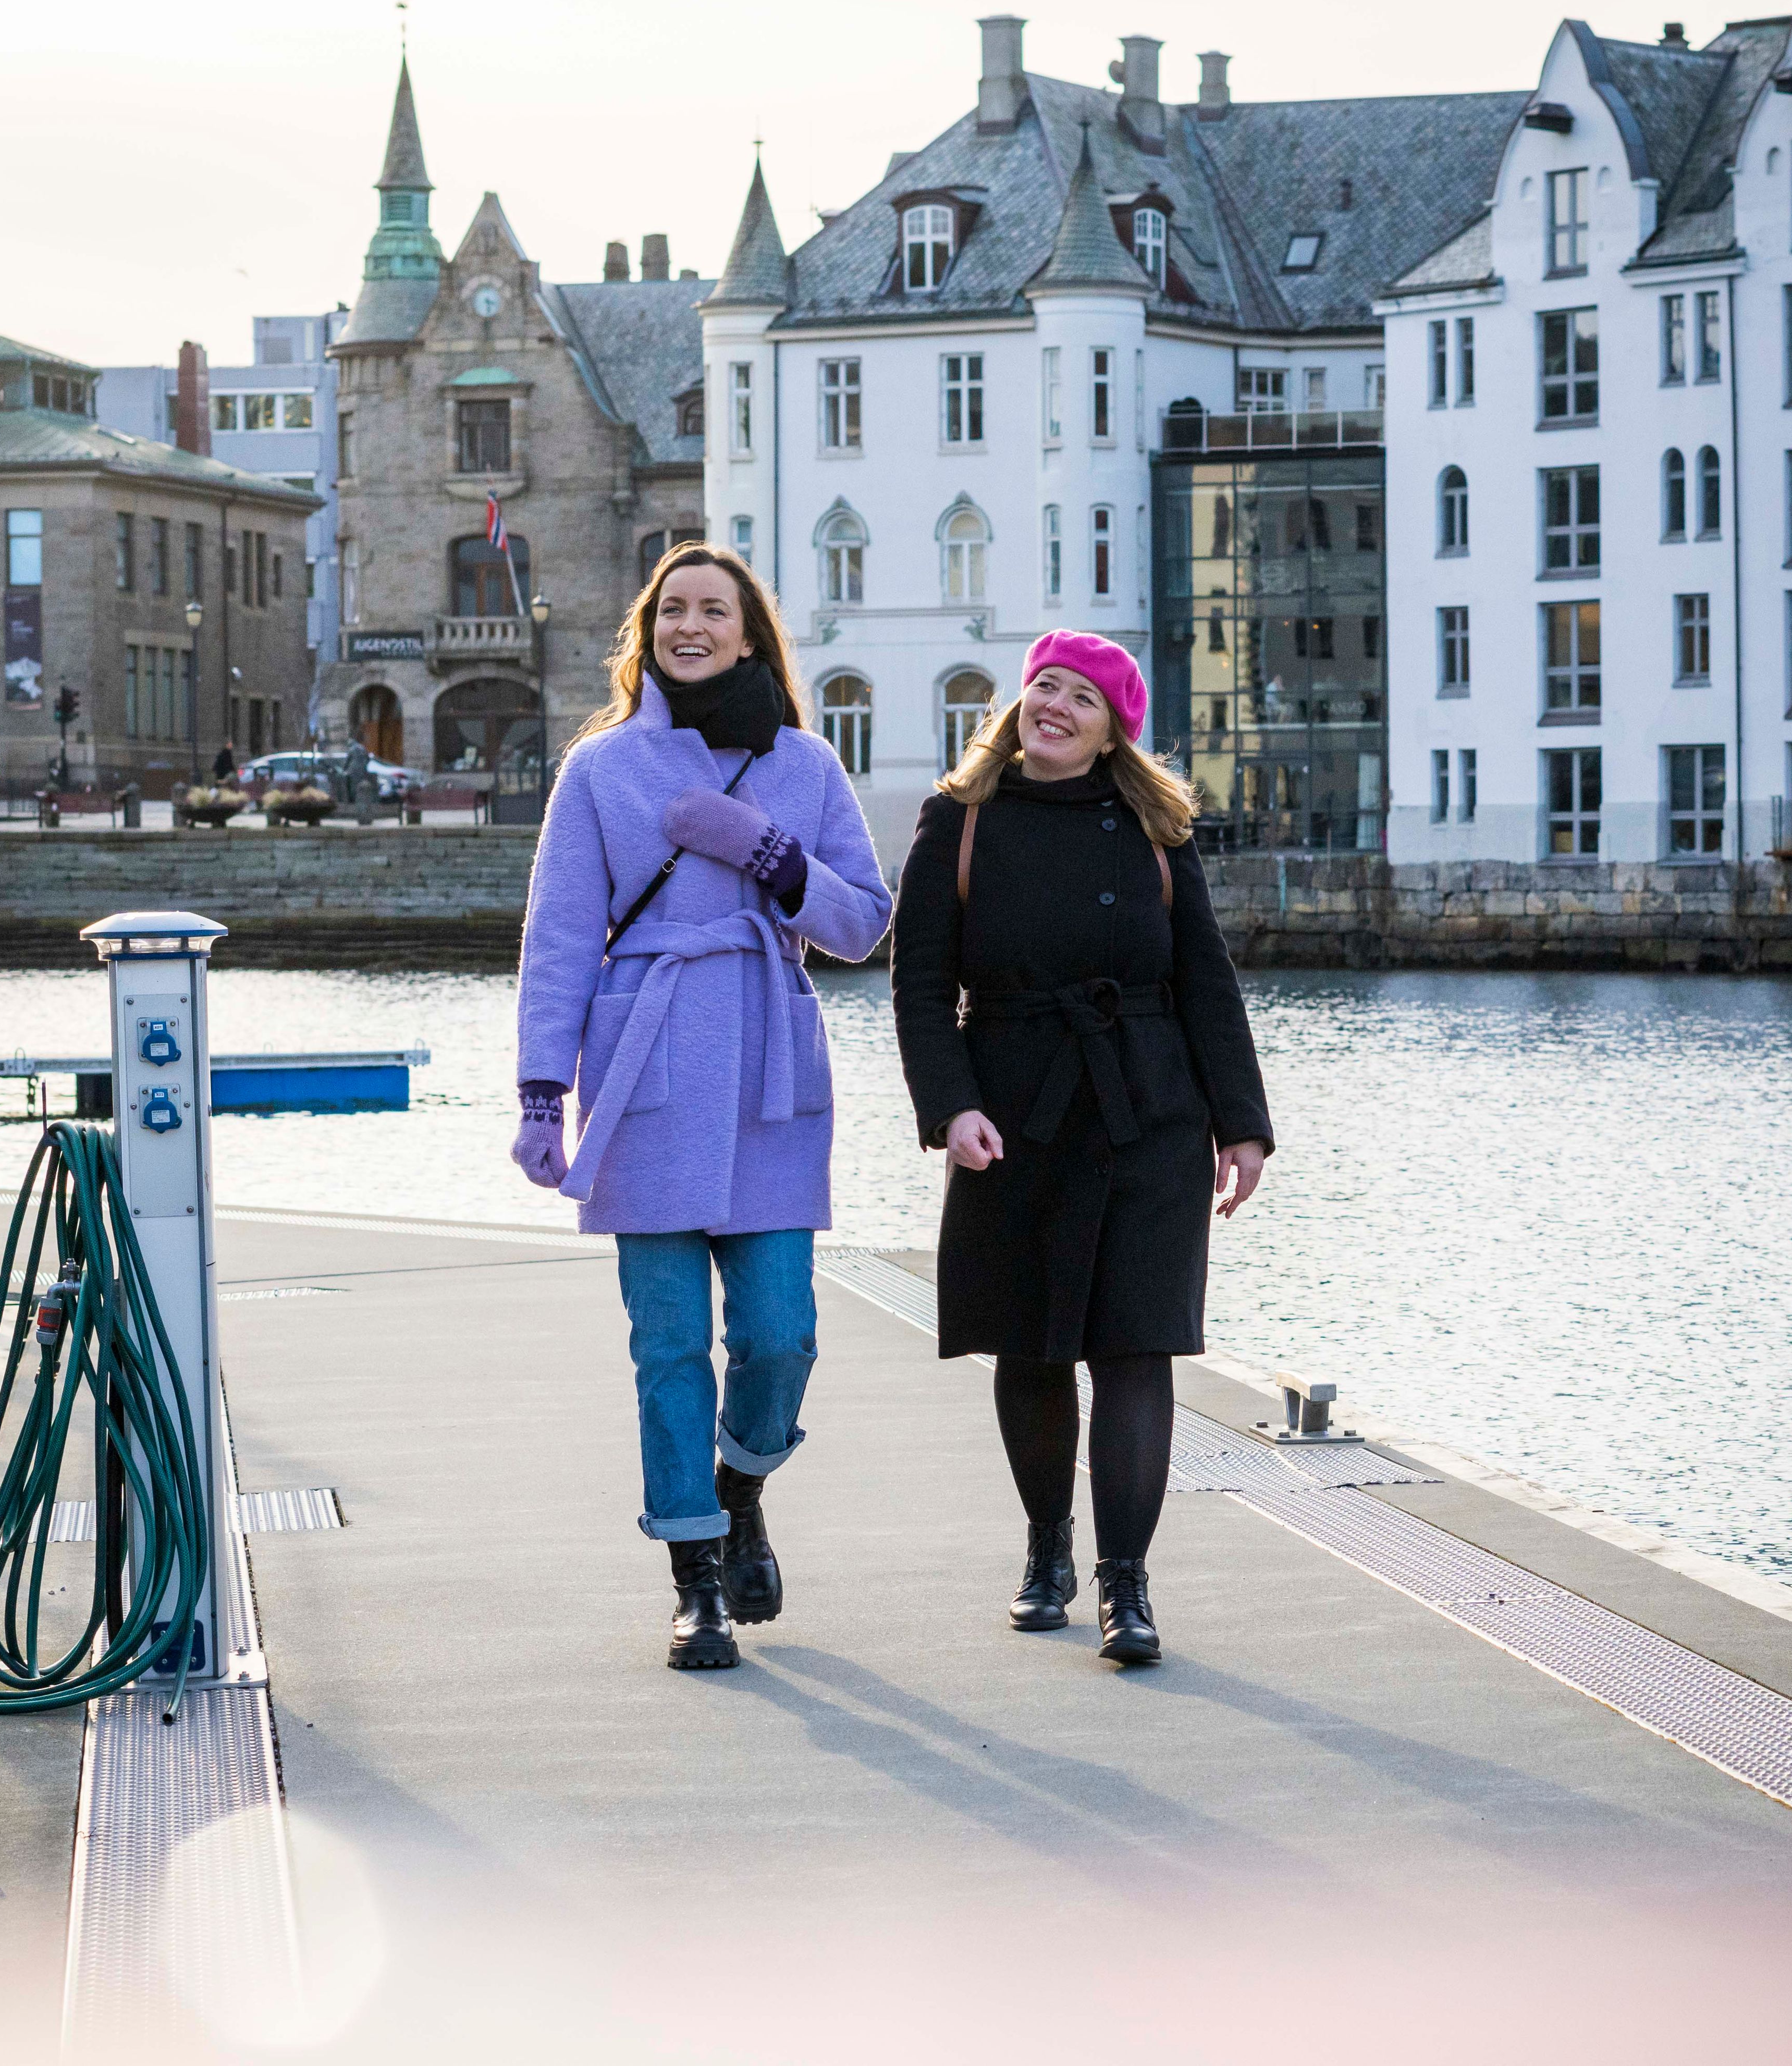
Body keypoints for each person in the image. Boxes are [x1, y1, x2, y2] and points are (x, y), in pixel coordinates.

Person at [511, 544, 893, 1669]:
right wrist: (542, 1092)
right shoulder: (599, 770)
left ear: (747, 632)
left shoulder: (809, 767)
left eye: (711, 609)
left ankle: (740, 1486)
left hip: (770, 1076)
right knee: (668, 1343)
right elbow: (560, 940)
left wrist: (772, 855)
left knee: (782, 1336)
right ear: (648, 631)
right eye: (670, 608)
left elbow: (865, 924)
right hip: (646, 1073)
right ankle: (695, 1581)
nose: (690, 625)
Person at [893, 632, 1271, 1666]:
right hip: (1015, 1112)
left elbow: (1206, 979)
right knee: (1030, 1342)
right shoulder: (957, 820)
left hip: (1149, 1107)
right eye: (1043, 686)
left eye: (1082, 696)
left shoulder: (1155, 824)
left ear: (1114, 729)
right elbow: (921, 983)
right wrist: (950, 1106)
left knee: (1137, 1345)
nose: (1054, 703)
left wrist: (1241, 1122)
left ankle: (1126, 1583)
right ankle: (1046, 1546)